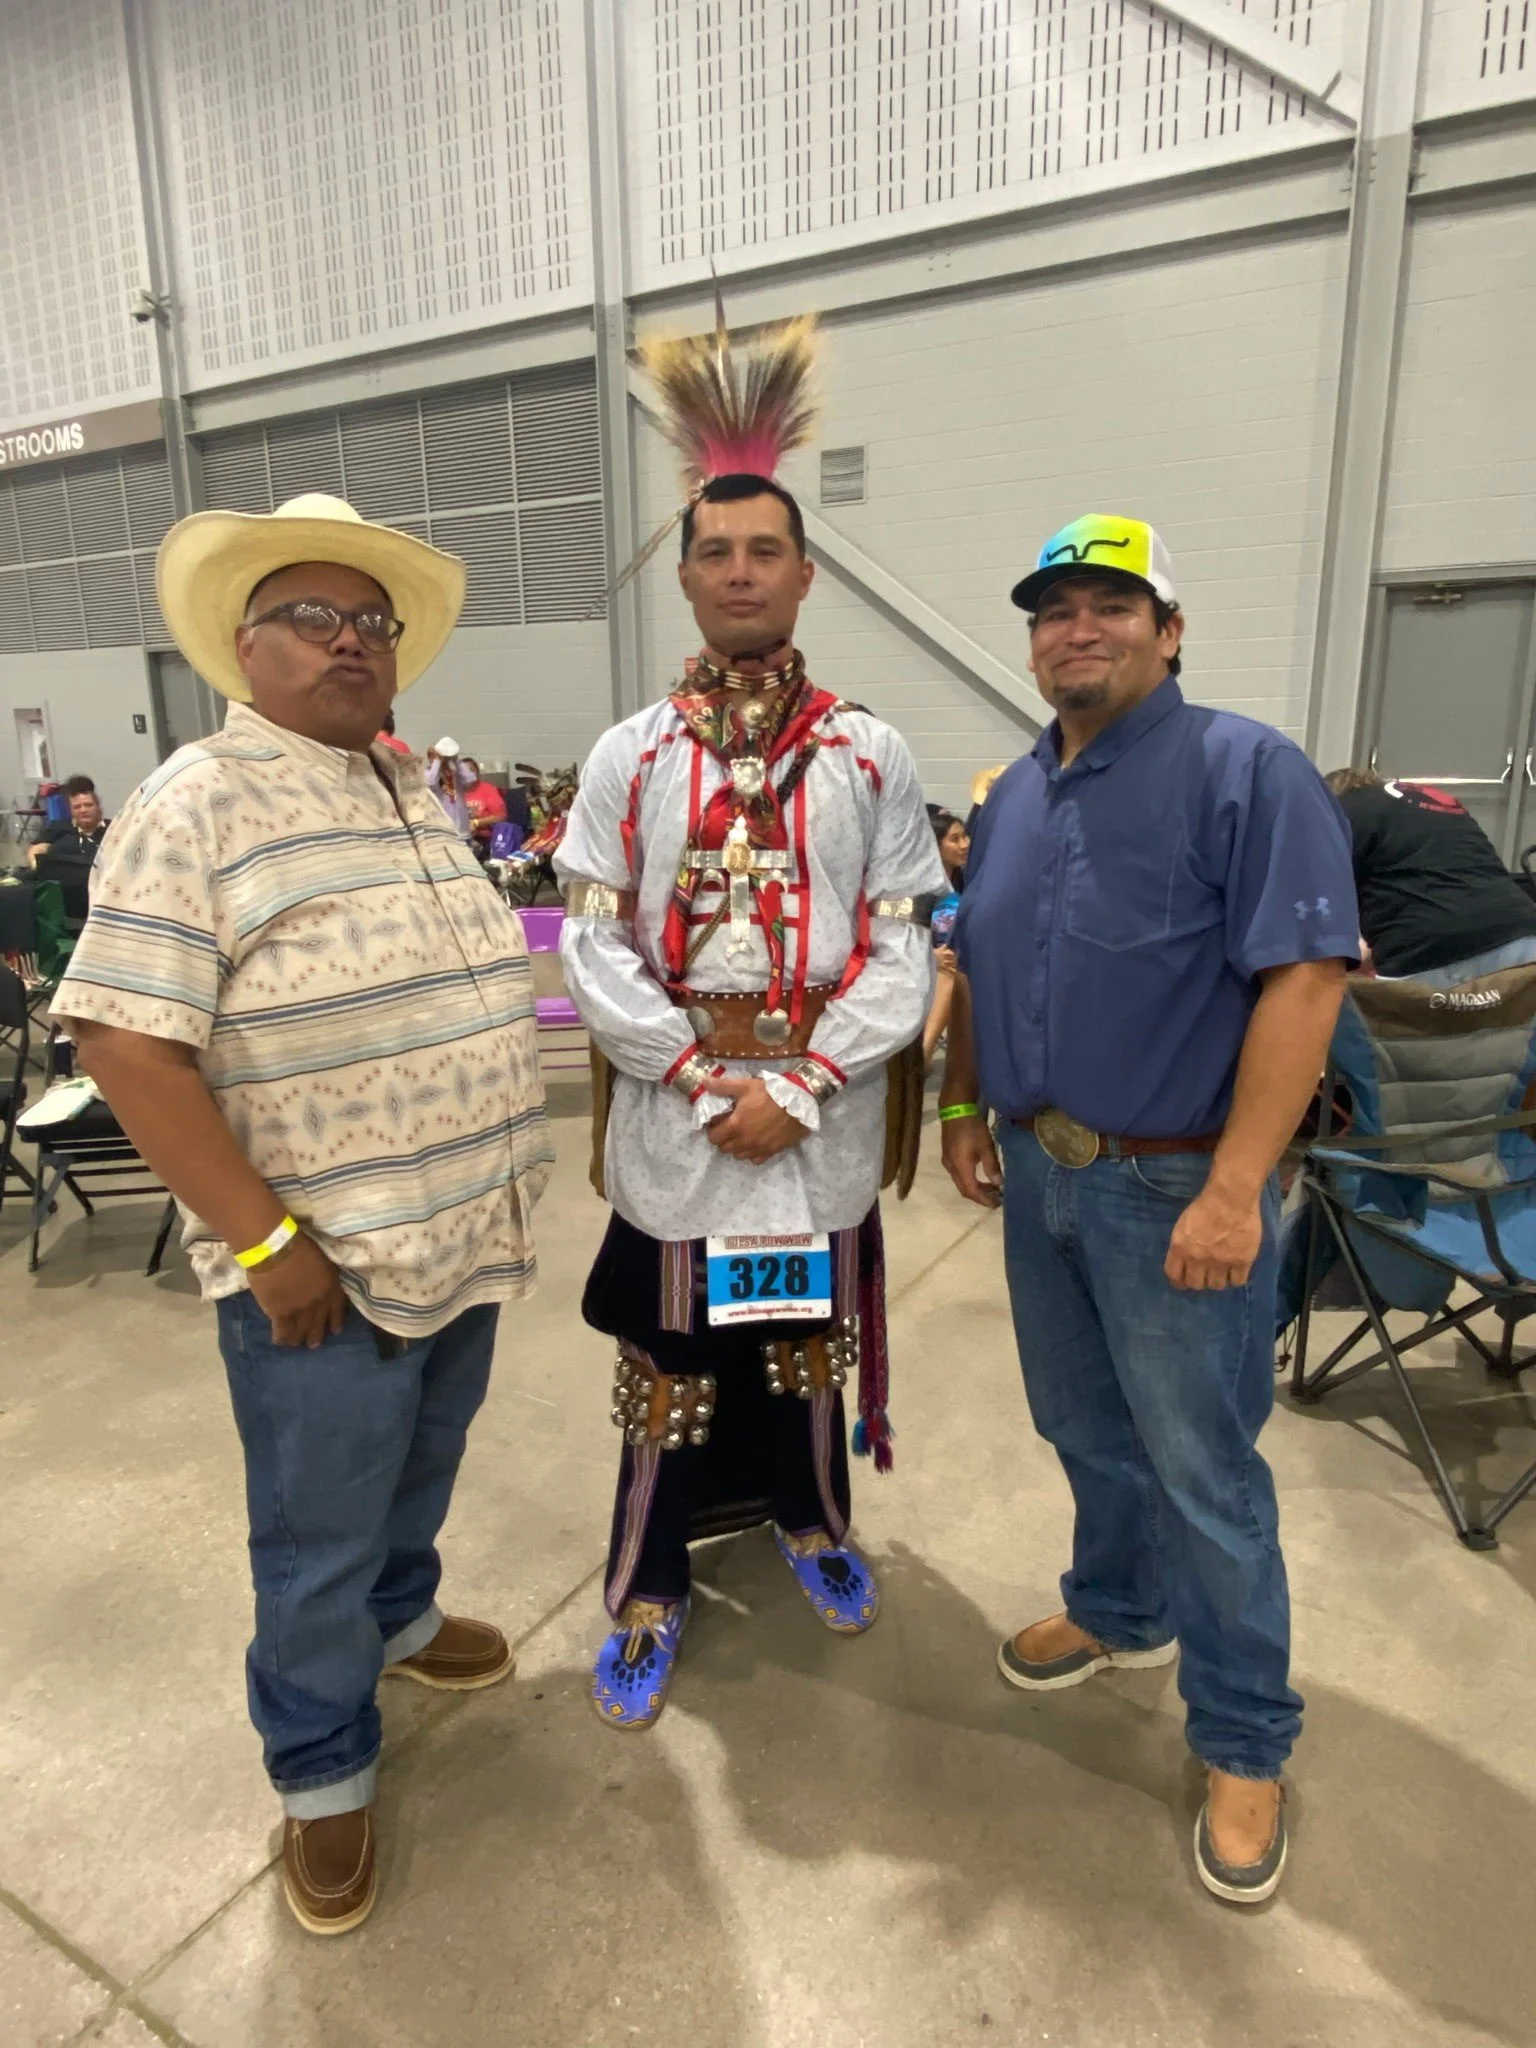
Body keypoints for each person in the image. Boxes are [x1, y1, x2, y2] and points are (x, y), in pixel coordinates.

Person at [50, 492, 552, 1938]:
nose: (348, 643)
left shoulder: (410, 788)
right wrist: (268, 1246)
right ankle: (322, 1775)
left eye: (370, 622)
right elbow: (124, 1042)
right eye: (312, 619)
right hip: (319, 1274)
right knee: (312, 1537)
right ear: (246, 647)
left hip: (456, 1247)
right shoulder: (197, 797)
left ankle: (401, 1621)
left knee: (414, 1483)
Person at [941, 514, 1357, 1905]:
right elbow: (976, 961)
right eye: (1055, 607)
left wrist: (1239, 1188)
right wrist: (965, 1108)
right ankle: (1120, 1612)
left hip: (1177, 1180)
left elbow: (1306, 985)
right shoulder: (1013, 795)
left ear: (1168, 631)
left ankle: (1246, 1740)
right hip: (1040, 1168)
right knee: (1080, 1425)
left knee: (1207, 1474)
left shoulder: (1246, 771)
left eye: (1112, 604)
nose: (1079, 627)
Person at [555, 311, 944, 1730]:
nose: (737, 571)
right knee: (668, 1366)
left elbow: (907, 942)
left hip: (821, 1130)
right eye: (713, 551)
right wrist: (700, 1076)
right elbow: (588, 943)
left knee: (799, 1349)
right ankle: (648, 1583)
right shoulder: (628, 754)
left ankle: (815, 1523)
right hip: (681, 1127)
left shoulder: (869, 753)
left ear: (804, 570)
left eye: (762, 549)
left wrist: (818, 1074)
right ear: (685, 570)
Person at [1326, 767, 1536, 985]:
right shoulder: (1428, 801)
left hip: (1430, 950)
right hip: (1524, 936)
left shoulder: (1339, 810)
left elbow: (1327, 910)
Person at [923, 804, 969, 1064]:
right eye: (955, 839)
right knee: (950, 975)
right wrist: (929, 957)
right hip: (934, 966)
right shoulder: (921, 888)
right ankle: (924, 1054)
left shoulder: (967, 880)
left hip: (968, 959)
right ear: (936, 845)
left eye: (965, 836)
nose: (964, 844)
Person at [28, 775, 108, 868]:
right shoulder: (58, 828)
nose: (83, 810)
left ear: (97, 805)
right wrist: (37, 866)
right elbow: (36, 849)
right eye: (77, 806)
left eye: (88, 805)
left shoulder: (112, 828)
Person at [426, 735, 474, 833]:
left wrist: (456, 759)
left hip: (461, 826)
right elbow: (431, 782)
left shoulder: (456, 772)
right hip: (441, 826)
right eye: (432, 755)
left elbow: (470, 779)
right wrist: (437, 760)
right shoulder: (427, 773)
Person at [461, 756, 509, 831]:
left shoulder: (488, 789)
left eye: (471, 770)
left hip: (483, 838)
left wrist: (476, 823)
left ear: (477, 772)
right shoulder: (454, 792)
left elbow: (501, 816)